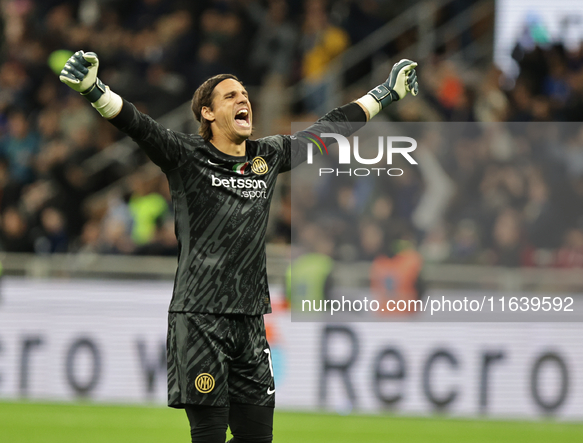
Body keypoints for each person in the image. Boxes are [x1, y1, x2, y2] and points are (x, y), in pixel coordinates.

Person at [59, 50, 418, 443]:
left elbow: (327, 131)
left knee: (256, 439)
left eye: (244, 94)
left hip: (249, 320)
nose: (243, 99)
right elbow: (140, 126)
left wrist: (385, 93)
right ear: (208, 114)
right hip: (200, 316)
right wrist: (94, 90)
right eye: (230, 96)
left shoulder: (267, 156)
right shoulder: (186, 156)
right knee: (209, 436)